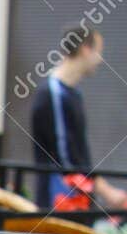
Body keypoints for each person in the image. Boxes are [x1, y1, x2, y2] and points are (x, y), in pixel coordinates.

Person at [31, 23, 127, 210]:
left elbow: (78, 154)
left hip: (76, 200)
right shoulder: (53, 93)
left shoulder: (72, 93)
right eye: (98, 51)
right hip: (60, 201)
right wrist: (106, 191)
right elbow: (66, 159)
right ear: (85, 49)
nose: (100, 59)